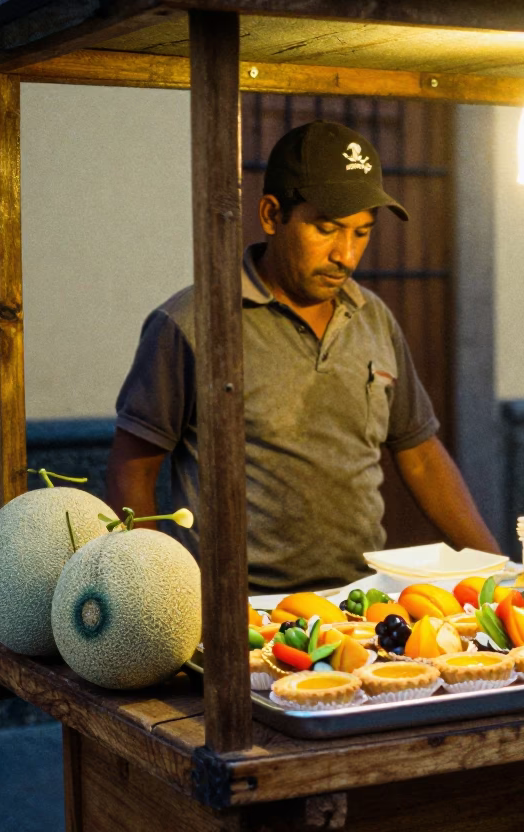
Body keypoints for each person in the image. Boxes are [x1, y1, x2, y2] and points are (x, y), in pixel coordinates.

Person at [106, 120, 498, 592]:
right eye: (327, 229)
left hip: (360, 601)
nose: (346, 255)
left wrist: (499, 571)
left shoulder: (372, 317)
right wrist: (154, 599)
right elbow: (133, 471)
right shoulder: (191, 323)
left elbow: (419, 454)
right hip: (235, 608)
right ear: (272, 215)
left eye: (361, 233)